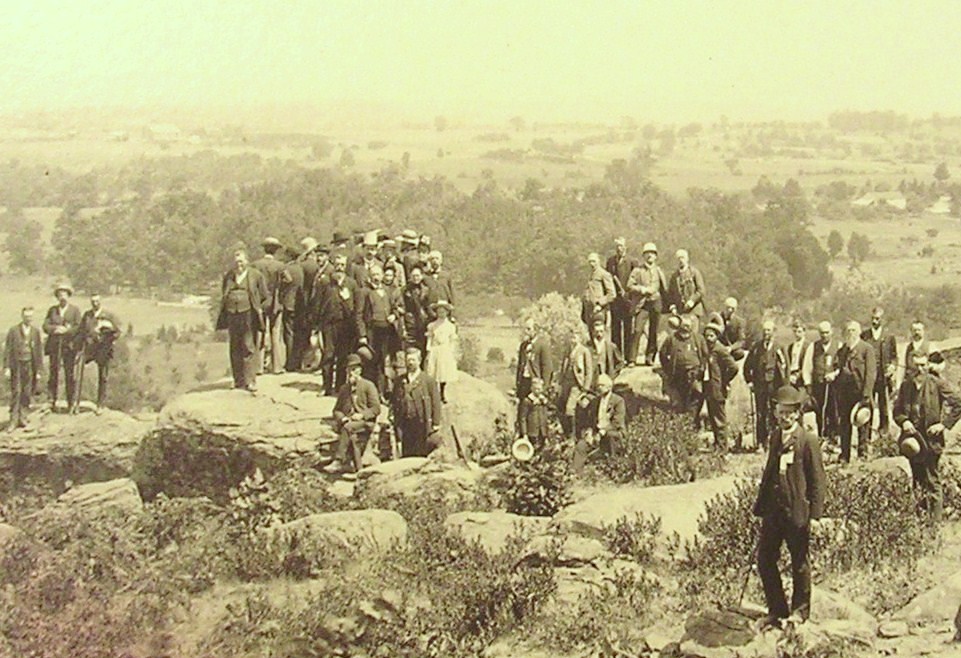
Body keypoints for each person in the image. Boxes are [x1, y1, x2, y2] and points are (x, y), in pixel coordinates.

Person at [753, 385, 826, 628]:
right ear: (775, 412)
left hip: (797, 513)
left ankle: (800, 612)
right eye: (780, 412)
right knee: (765, 559)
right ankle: (777, 609)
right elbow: (769, 472)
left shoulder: (807, 440)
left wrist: (815, 515)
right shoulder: (775, 437)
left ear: (797, 413)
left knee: (800, 562)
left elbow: (817, 479)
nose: (784, 417)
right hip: (774, 512)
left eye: (789, 413)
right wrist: (761, 506)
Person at [893, 350, 961, 523]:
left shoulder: (937, 383)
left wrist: (943, 425)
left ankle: (935, 526)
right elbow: (897, 411)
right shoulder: (906, 385)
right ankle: (920, 521)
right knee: (917, 481)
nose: (920, 369)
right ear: (910, 365)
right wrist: (904, 421)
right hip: (913, 441)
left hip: (932, 441)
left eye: (923, 365)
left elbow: (958, 402)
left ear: (928, 365)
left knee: (932, 480)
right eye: (916, 365)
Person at [216, 249, 268, 392]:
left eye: (241, 261)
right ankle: (237, 380)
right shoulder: (229, 276)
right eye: (236, 261)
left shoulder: (256, 275)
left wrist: (258, 309)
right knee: (235, 347)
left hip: (249, 315)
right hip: (232, 315)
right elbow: (224, 292)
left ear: (247, 261)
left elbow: (264, 295)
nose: (239, 264)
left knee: (248, 346)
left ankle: (250, 380)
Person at [324, 353, 381, 475]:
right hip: (350, 424)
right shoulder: (344, 389)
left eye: (354, 369)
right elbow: (336, 410)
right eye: (349, 369)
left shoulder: (368, 386)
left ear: (360, 370)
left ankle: (339, 460)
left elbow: (376, 408)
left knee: (348, 428)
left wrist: (362, 415)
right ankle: (359, 471)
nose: (351, 373)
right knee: (353, 438)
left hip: (365, 422)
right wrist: (343, 418)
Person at [830, 321, 876, 463]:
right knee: (844, 424)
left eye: (853, 330)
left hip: (860, 392)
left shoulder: (866, 349)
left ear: (858, 332)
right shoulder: (843, 350)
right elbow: (837, 366)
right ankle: (845, 455)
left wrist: (867, 394)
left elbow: (870, 373)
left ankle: (862, 454)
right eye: (848, 330)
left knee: (862, 423)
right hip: (844, 393)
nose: (850, 333)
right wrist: (834, 374)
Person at [316, 253, 359, 396]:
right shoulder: (325, 282)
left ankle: (340, 386)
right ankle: (326, 386)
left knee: (342, 356)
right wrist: (316, 326)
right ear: (333, 265)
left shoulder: (351, 284)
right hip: (328, 324)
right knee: (328, 355)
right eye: (337, 265)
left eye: (342, 265)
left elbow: (355, 307)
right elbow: (317, 304)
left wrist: (347, 299)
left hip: (345, 326)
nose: (339, 268)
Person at [357, 263, 402, 394]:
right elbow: (358, 315)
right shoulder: (364, 292)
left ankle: (382, 391)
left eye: (378, 274)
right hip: (372, 332)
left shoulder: (388, 291)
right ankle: (369, 392)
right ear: (369, 277)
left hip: (386, 331)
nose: (376, 277)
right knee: (371, 362)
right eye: (373, 275)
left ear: (382, 276)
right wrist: (362, 335)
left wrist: (394, 315)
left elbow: (395, 307)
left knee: (384, 361)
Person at [744, 320, 787, 449]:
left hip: (774, 385)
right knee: (760, 413)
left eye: (768, 330)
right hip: (760, 385)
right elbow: (747, 366)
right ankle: (761, 442)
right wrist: (750, 381)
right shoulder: (756, 347)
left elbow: (784, 367)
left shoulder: (779, 347)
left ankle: (775, 441)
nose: (766, 333)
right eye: (764, 330)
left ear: (773, 332)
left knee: (775, 412)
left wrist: (784, 386)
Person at [393, 347, 443, 457]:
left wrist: (436, 422)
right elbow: (394, 401)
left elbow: (436, 402)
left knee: (421, 452)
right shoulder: (399, 381)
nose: (410, 363)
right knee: (407, 452)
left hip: (422, 421)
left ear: (419, 361)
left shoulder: (428, 380)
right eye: (408, 360)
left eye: (413, 360)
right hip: (405, 422)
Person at [574, 374, 626, 473]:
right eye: (598, 385)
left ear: (609, 386)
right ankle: (576, 473)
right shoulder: (595, 401)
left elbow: (617, 423)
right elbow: (590, 420)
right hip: (597, 432)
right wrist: (589, 432)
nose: (599, 388)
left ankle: (614, 469)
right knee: (581, 445)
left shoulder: (618, 401)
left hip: (614, 432)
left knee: (610, 436)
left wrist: (602, 432)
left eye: (601, 385)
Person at [626, 242, 668, 365]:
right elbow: (629, 285)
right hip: (642, 304)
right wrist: (641, 289)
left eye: (652, 253)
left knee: (653, 331)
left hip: (656, 302)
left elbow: (664, 289)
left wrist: (670, 305)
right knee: (637, 329)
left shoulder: (659, 271)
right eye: (647, 253)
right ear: (643, 256)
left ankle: (650, 357)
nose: (650, 256)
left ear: (656, 256)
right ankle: (632, 359)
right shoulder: (637, 271)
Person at [659, 315, 708, 422]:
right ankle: (681, 425)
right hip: (677, 375)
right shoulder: (671, 339)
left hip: (694, 374)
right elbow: (662, 354)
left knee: (696, 398)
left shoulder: (698, 338)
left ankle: (693, 422)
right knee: (679, 400)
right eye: (684, 326)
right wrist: (667, 368)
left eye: (688, 326)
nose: (686, 329)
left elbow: (705, 355)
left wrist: (701, 369)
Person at [77, 294, 121, 413]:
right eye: (92, 301)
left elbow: (117, 332)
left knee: (103, 376)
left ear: (100, 301)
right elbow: (81, 331)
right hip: (90, 348)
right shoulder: (87, 315)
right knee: (78, 372)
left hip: (103, 349)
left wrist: (107, 337)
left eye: (97, 301)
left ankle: (100, 404)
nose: (95, 303)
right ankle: (76, 403)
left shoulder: (108, 316)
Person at [42, 283, 82, 411]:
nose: (62, 297)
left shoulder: (75, 310)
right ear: (57, 297)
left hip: (69, 347)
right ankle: (51, 400)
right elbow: (45, 326)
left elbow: (79, 328)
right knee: (53, 372)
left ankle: (71, 402)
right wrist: (55, 329)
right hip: (54, 346)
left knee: (69, 374)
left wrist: (66, 331)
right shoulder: (52, 310)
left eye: (64, 294)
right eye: (59, 295)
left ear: (68, 296)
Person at [251, 237, 286, 375]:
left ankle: (258, 367)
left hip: (260, 301)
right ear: (276, 251)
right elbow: (288, 279)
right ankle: (276, 366)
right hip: (275, 302)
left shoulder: (255, 265)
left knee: (260, 333)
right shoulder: (280, 266)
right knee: (275, 333)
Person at [703, 321, 739, 451]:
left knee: (719, 418)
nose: (708, 338)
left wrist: (724, 381)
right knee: (712, 417)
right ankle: (718, 445)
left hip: (717, 388)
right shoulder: (707, 349)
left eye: (711, 335)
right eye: (706, 335)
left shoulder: (720, 349)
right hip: (708, 387)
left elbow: (733, 367)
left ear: (716, 336)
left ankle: (723, 447)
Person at [861, 307, 897, 437]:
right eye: (873, 318)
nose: (874, 321)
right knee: (868, 405)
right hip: (869, 377)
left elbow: (894, 356)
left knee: (884, 406)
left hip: (883, 377)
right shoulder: (864, 336)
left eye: (877, 319)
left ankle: (884, 434)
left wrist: (893, 366)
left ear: (883, 320)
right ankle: (867, 436)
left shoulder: (889, 337)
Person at [4, 307, 42, 430]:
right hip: (17, 365)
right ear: (22, 317)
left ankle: (23, 417)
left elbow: (38, 351)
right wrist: (7, 367)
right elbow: (8, 350)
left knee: (27, 391)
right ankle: (13, 420)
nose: (28, 319)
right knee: (16, 391)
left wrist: (39, 370)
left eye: (30, 317)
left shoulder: (35, 332)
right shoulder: (13, 331)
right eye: (26, 316)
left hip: (30, 365)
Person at [801, 321, 840, 439]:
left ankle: (833, 438)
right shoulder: (813, 347)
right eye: (822, 333)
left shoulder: (839, 346)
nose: (824, 335)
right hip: (818, 386)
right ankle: (822, 436)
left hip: (834, 386)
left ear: (831, 332)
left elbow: (842, 367)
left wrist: (834, 374)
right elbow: (807, 367)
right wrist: (808, 384)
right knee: (819, 412)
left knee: (833, 412)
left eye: (827, 332)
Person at [515, 319, 554, 428]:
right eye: (525, 329)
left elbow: (547, 368)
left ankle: (538, 438)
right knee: (522, 411)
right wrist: (518, 385)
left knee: (535, 413)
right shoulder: (523, 345)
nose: (526, 332)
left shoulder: (542, 345)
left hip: (536, 384)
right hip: (524, 382)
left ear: (535, 330)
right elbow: (520, 366)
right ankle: (523, 436)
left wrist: (544, 388)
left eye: (529, 329)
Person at [557, 331, 594, 438]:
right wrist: (560, 383)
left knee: (570, 408)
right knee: (560, 406)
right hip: (566, 383)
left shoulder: (584, 351)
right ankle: (566, 432)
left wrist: (586, 387)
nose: (572, 340)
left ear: (580, 339)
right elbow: (563, 367)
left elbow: (589, 370)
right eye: (571, 337)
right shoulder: (568, 350)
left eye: (575, 337)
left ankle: (572, 434)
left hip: (577, 384)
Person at [606, 237, 637, 360]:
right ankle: (617, 358)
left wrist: (629, 295)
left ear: (626, 247)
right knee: (615, 329)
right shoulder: (610, 262)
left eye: (621, 246)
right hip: (616, 301)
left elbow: (635, 280)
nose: (619, 249)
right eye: (617, 246)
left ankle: (629, 357)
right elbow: (608, 280)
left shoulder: (632, 262)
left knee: (629, 329)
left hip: (628, 300)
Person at [425, 300, 458, 403]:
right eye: (439, 311)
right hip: (435, 349)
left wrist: (451, 351)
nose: (441, 313)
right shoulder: (432, 325)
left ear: (447, 312)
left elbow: (452, 340)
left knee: (443, 372)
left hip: (445, 349)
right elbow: (429, 339)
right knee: (433, 372)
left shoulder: (450, 326)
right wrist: (428, 350)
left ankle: (442, 393)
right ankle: (434, 394)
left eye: (443, 311)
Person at [667, 249, 707, 331]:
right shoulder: (674, 276)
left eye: (683, 258)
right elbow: (670, 294)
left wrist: (692, 300)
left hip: (694, 310)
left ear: (687, 259)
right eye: (678, 258)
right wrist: (673, 307)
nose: (681, 260)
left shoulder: (694, 272)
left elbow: (701, 290)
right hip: (680, 311)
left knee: (693, 335)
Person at [280, 249, 305, 373]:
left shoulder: (286, 269)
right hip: (300, 304)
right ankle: (298, 361)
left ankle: (290, 362)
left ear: (289, 256)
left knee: (289, 333)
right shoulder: (300, 269)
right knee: (298, 333)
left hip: (288, 304)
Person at [402, 265, 434, 358]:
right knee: (412, 348)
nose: (416, 278)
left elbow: (429, 306)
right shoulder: (405, 290)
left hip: (424, 321)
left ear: (421, 276)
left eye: (417, 275)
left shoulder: (427, 289)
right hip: (411, 321)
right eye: (413, 276)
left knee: (425, 346)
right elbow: (403, 306)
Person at [582, 252, 616, 328]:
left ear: (598, 261)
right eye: (590, 261)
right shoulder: (590, 275)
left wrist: (600, 304)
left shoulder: (604, 274)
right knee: (592, 336)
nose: (592, 264)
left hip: (600, 311)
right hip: (589, 312)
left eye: (594, 261)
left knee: (601, 335)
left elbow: (612, 294)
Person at [588, 317, 623, 388]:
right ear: (592, 332)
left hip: (607, 380)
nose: (599, 334)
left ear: (605, 331)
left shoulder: (611, 346)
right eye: (597, 331)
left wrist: (612, 375)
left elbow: (620, 363)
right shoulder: (588, 347)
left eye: (601, 331)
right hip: (592, 382)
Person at [518, 377, 551, 447]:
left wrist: (546, 402)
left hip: (543, 431)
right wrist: (524, 434)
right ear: (531, 389)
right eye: (536, 389)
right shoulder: (527, 401)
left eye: (539, 389)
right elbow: (523, 418)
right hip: (532, 432)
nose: (537, 391)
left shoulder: (543, 400)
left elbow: (552, 409)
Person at [903, 321, 930, 386]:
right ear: (911, 332)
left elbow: (940, 366)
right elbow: (903, 368)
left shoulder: (931, 347)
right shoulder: (907, 348)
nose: (916, 332)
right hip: (910, 383)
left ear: (923, 331)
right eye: (914, 330)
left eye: (919, 330)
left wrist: (927, 364)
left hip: (926, 382)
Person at [785, 320, 809, 389]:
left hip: (802, 376)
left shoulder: (808, 346)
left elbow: (807, 365)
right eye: (795, 332)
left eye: (799, 332)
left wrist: (798, 375)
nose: (796, 334)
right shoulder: (791, 346)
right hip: (791, 376)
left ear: (804, 332)